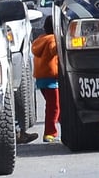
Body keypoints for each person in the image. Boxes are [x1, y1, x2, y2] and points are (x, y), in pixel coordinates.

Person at [32, 15, 61, 143]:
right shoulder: (52, 40)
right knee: (54, 107)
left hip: (41, 79)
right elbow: (53, 50)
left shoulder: (40, 40)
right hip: (52, 79)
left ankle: (59, 127)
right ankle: (50, 133)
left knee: (54, 105)